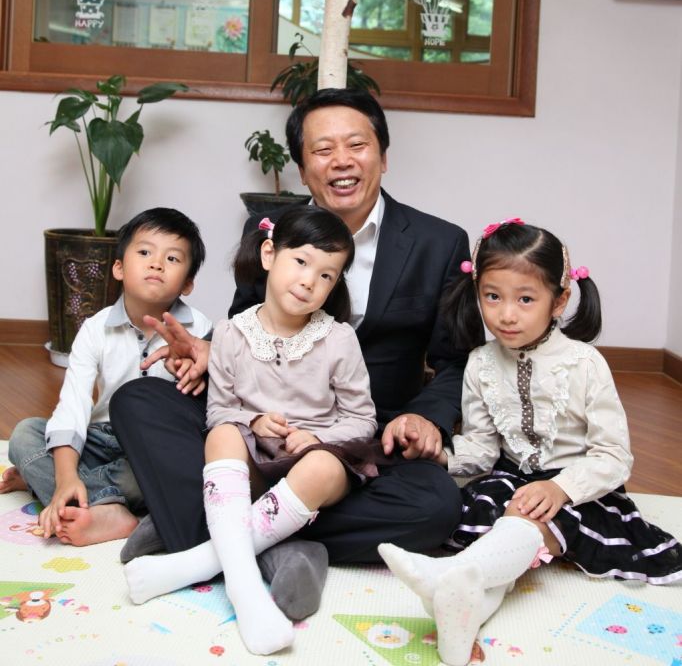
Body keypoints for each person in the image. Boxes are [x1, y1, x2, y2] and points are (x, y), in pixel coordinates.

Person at [110, 88, 480, 619]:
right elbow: (247, 325)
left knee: (438, 507)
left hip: (361, 437)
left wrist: (426, 417)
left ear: (383, 155)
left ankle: (209, 539)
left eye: (357, 145)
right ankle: (282, 542)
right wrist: (209, 350)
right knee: (138, 400)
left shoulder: (438, 242)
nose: (342, 161)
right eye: (323, 150)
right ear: (303, 170)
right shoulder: (267, 232)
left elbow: (457, 358)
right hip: (258, 424)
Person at [379, 219, 682, 666]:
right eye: (492, 296)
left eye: (525, 299)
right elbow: (482, 448)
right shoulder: (480, 363)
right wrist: (442, 455)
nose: (506, 314)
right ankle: (462, 612)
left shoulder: (585, 364)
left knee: (530, 517)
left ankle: (448, 574)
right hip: (512, 478)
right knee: (501, 513)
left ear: (559, 300)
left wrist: (560, 488)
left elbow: (614, 456)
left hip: (578, 487)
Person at [126, 204, 377, 654]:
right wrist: (255, 422)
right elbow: (220, 412)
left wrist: (319, 439)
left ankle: (200, 561)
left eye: (326, 275)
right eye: (300, 262)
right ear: (268, 255)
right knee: (221, 435)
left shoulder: (339, 339)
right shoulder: (230, 334)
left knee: (321, 466)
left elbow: (363, 420)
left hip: (318, 467)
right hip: (258, 463)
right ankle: (245, 586)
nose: (309, 281)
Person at [0, 207, 211, 547]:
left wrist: (194, 373)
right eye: (145, 252)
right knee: (25, 435)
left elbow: (198, 416)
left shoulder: (199, 331)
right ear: (119, 268)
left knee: (153, 474)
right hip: (100, 437)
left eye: (172, 258)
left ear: (187, 283)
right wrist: (66, 474)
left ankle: (61, 490)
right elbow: (73, 406)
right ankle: (93, 499)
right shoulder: (94, 329)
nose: (157, 264)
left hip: (152, 445)